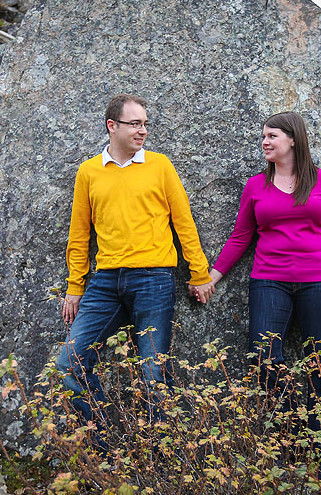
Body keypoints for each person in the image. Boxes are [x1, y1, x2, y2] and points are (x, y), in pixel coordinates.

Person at [57, 93, 216, 430]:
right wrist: (75, 286)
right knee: (69, 365)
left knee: (154, 373)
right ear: (111, 126)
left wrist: (199, 272)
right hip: (104, 284)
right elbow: (79, 234)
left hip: (154, 279)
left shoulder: (160, 166)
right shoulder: (88, 172)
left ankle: (164, 463)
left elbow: (183, 223)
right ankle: (102, 453)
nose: (143, 130)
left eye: (145, 124)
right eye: (135, 124)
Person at [208, 111, 321, 444]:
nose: (264, 142)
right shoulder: (255, 186)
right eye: (263, 136)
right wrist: (212, 277)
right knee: (263, 356)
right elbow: (240, 236)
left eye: (271, 136)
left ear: (293, 139)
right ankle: (292, 438)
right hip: (269, 279)